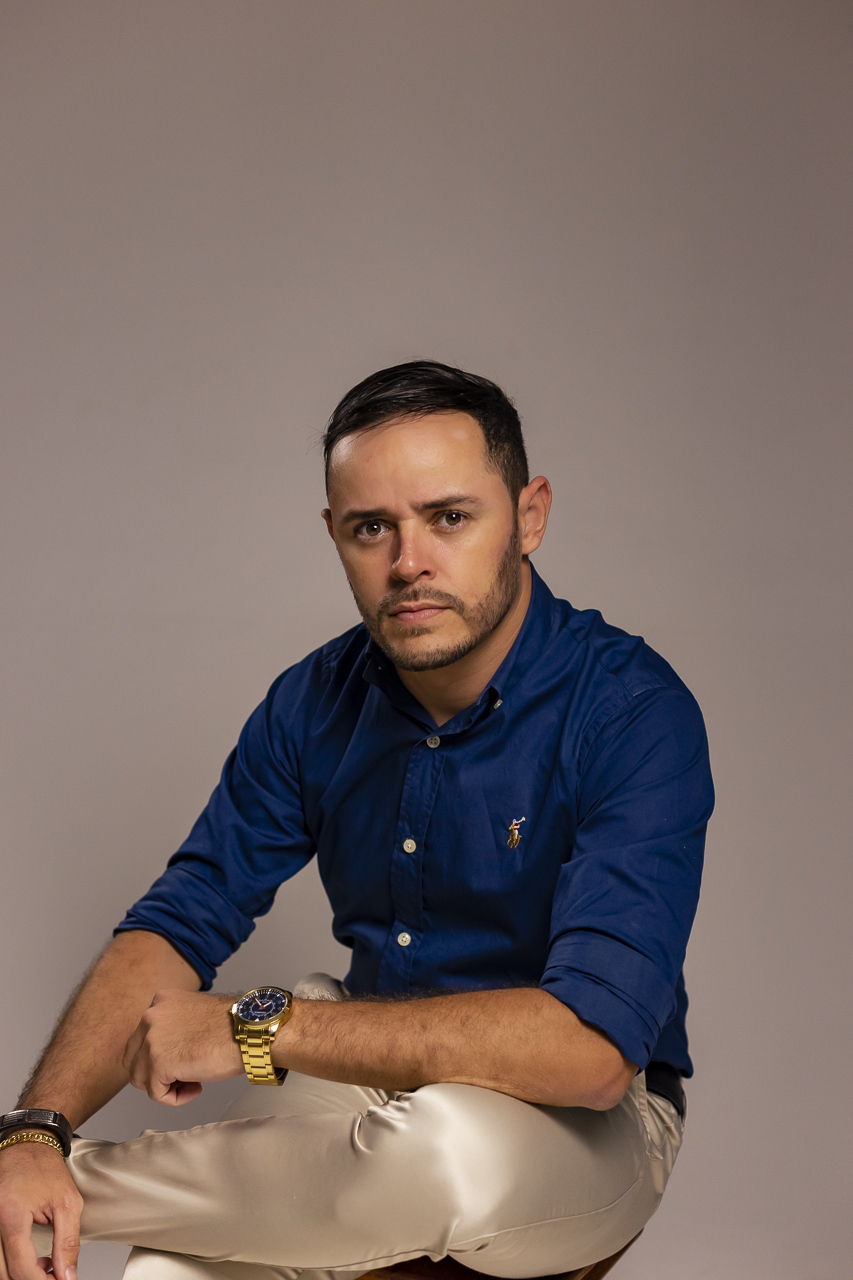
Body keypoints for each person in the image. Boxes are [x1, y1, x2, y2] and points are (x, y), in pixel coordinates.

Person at [0, 362, 714, 1280]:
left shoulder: (630, 712)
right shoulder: (313, 703)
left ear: (529, 516)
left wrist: (261, 1027)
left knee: (448, 1152)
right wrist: (35, 1130)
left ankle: (78, 1190)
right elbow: (181, 917)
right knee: (165, 1273)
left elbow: (591, 1054)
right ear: (334, 534)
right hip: (368, 1082)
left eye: (448, 517)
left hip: (586, 1123)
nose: (407, 562)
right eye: (371, 527)